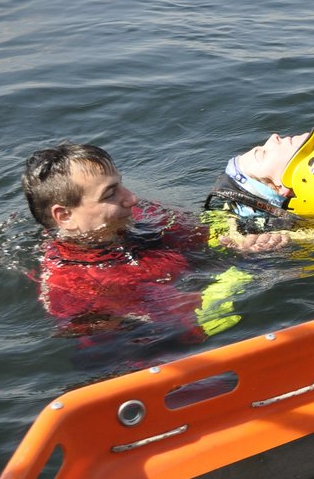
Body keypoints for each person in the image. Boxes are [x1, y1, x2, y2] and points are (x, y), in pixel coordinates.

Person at [21, 143, 261, 335]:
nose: (132, 198)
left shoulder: (142, 216)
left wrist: (239, 240)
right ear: (65, 216)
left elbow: (206, 236)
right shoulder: (76, 285)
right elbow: (185, 327)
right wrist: (243, 268)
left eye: (120, 184)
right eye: (110, 193)